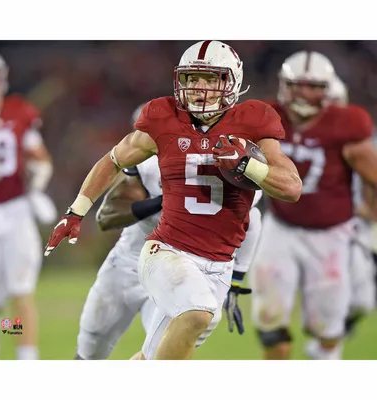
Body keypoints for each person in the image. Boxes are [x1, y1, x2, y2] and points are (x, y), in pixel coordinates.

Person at [45, 40, 302, 360]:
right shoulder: (163, 119)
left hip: (218, 266)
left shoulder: (255, 122)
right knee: (196, 312)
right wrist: (76, 212)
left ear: (232, 81)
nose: (200, 88)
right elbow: (113, 159)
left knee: (154, 356)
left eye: (211, 79)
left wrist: (248, 164)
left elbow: (291, 188)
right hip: (165, 251)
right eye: (192, 79)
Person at [75, 104, 263, 359]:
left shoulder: (230, 167)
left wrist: (236, 282)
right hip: (131, 264)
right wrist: (167, 200)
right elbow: (107, 216)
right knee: (89, 353)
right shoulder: (149, 165)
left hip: (184, 272)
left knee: (160, 352)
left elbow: (252, 218)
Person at [249, 51, 377, 360]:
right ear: (283, 85)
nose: (305, 93)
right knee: (269, 316)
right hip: (281, 226)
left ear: (328, 89)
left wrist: (371, 217)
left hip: (331, 234)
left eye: (314, 86)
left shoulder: (347, 123)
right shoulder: (268, 116)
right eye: (297, 85)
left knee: (327, 325)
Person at [0, 49, 56, 359]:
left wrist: (39, 178)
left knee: (20, 288)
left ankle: (25, 359)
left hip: (16, 209)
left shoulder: (19, 110)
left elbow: (40, 157)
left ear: (1, 78)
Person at [304, 75, 376, 358]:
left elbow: (368, 180)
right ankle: (327, 352)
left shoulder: (356, 137)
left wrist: (369, 209)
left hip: (357, 228)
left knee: (363, 301)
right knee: (339, 297)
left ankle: (324, 347)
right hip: (326, 230)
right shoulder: (308, 142)